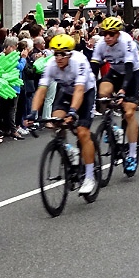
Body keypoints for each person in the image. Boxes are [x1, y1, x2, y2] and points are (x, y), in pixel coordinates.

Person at [28, 34, 98, 196]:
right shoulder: (51, 65)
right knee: (55, 121)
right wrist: (33, 113)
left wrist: (73, 112)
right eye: (56, 53)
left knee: (82, 132)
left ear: (70, 54)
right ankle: (69, 150)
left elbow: (80, 90)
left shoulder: (78, 62)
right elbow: (41, 90)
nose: (59, 58)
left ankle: (89, 176)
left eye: (63, 54)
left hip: (85, 92)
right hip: (66, 92)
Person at [89, 16, 139, 175]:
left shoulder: (126, 42)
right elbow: (94, 67)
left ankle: (132, 154)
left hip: (132, 73)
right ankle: (111, 125)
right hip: (115, 72)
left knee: (128, 112)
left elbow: (128, 69)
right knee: (103, 93)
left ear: (118, 34)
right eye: (105, 33)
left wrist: (123, 91)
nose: (107, 36)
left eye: (111, 34)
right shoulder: (100, 43)